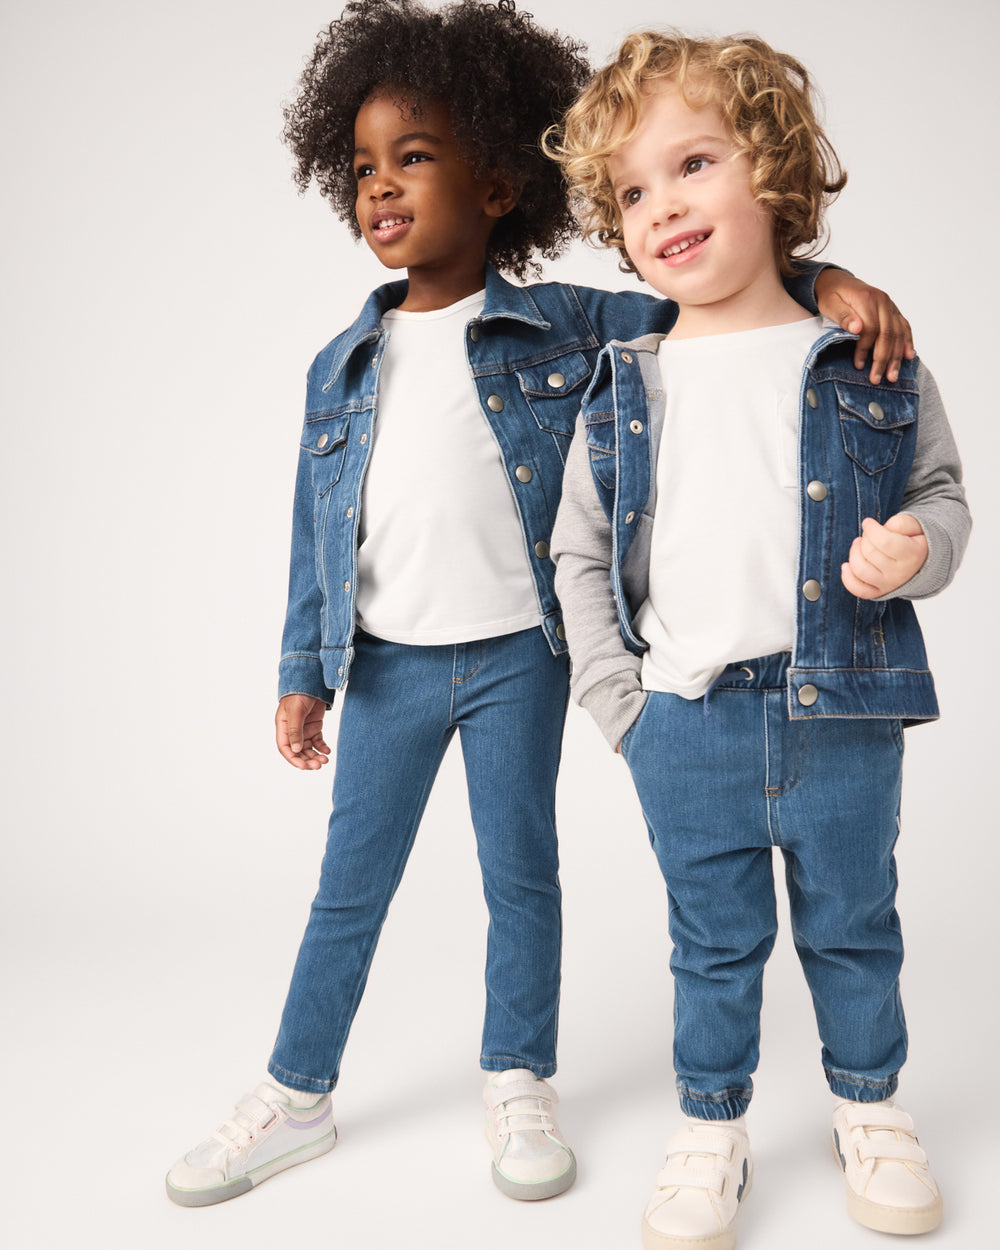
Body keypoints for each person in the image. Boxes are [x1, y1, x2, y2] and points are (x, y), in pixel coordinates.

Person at [165, 0, 913, 1211]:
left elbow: (717, 298)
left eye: (415, 156)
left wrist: (830, 279)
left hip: (523, 652)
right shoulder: (338, 366)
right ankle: (296, 1090)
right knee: (349, 881)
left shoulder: (567, 320)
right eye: (362, 166)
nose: (382, 186)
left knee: (523, 871)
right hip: (392, 664)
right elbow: (316, 530)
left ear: (501, 183)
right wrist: (303, 664)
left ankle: (518, 1075)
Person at [547, 29, 969, 1250]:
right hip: (686, 714)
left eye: (692, 164)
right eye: (632, 191)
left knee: (853, 919)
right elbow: (578, 556)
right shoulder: (621, 382)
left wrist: (916, 551)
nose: (661, 205)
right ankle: (711, 1125)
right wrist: (621, 705)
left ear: (772, 176)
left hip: (842, 705)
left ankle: (870, 1109)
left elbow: (941, 494)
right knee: (711, 939)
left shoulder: (864, 353)